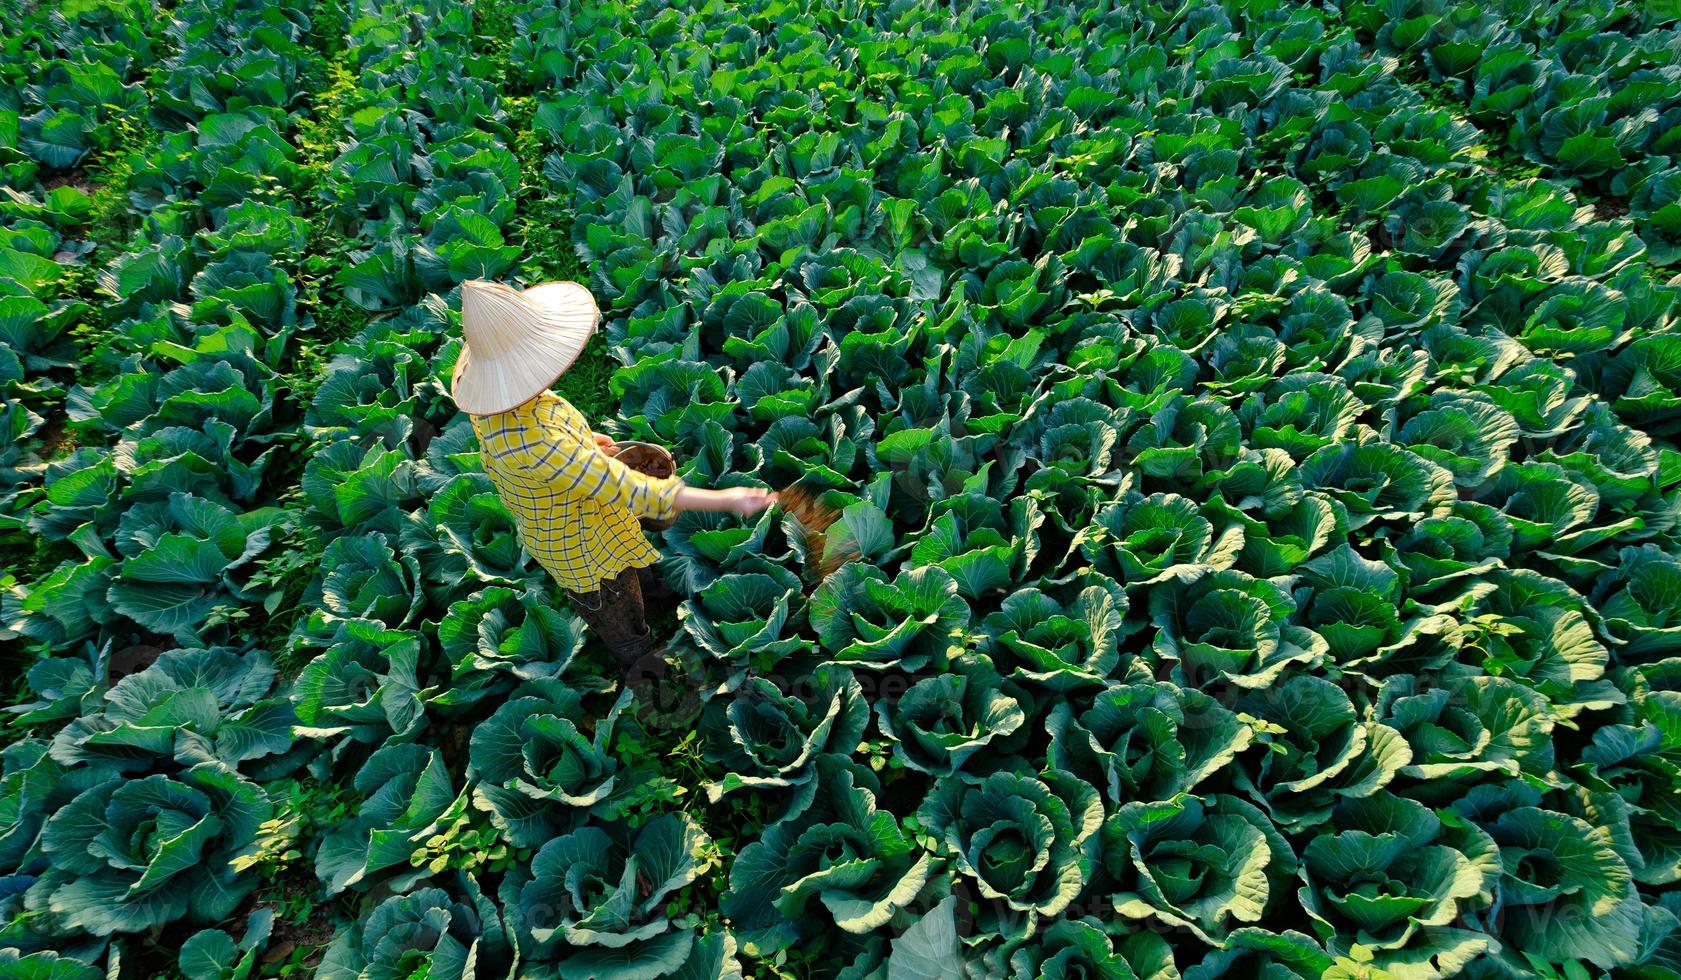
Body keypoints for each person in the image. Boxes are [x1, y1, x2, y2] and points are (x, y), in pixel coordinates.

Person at [448, 277, 776, 677]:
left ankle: (650, 589)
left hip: (583, 515)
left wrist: (588, 444)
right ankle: (638, 656)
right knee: (614, 605)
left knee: (631, 569)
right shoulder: (537, 443)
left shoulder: (497, 403)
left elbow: (556, 455)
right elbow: (627, 488)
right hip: (580, 545)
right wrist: (726, 499)